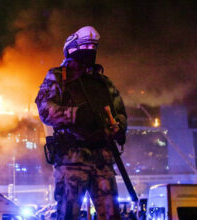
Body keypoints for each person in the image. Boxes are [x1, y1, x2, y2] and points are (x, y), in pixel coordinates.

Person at [35, 26, 127, 220]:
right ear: (72, 48)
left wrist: (119, 128)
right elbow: (44, 109)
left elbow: (120, 112)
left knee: (111, 215)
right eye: (84, 46)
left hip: (103, 158)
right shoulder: (59, 77)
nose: (89, 51)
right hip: (72, 159)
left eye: (92, 47)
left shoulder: (104, 82)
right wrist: (75, 115)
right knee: (68, 214)